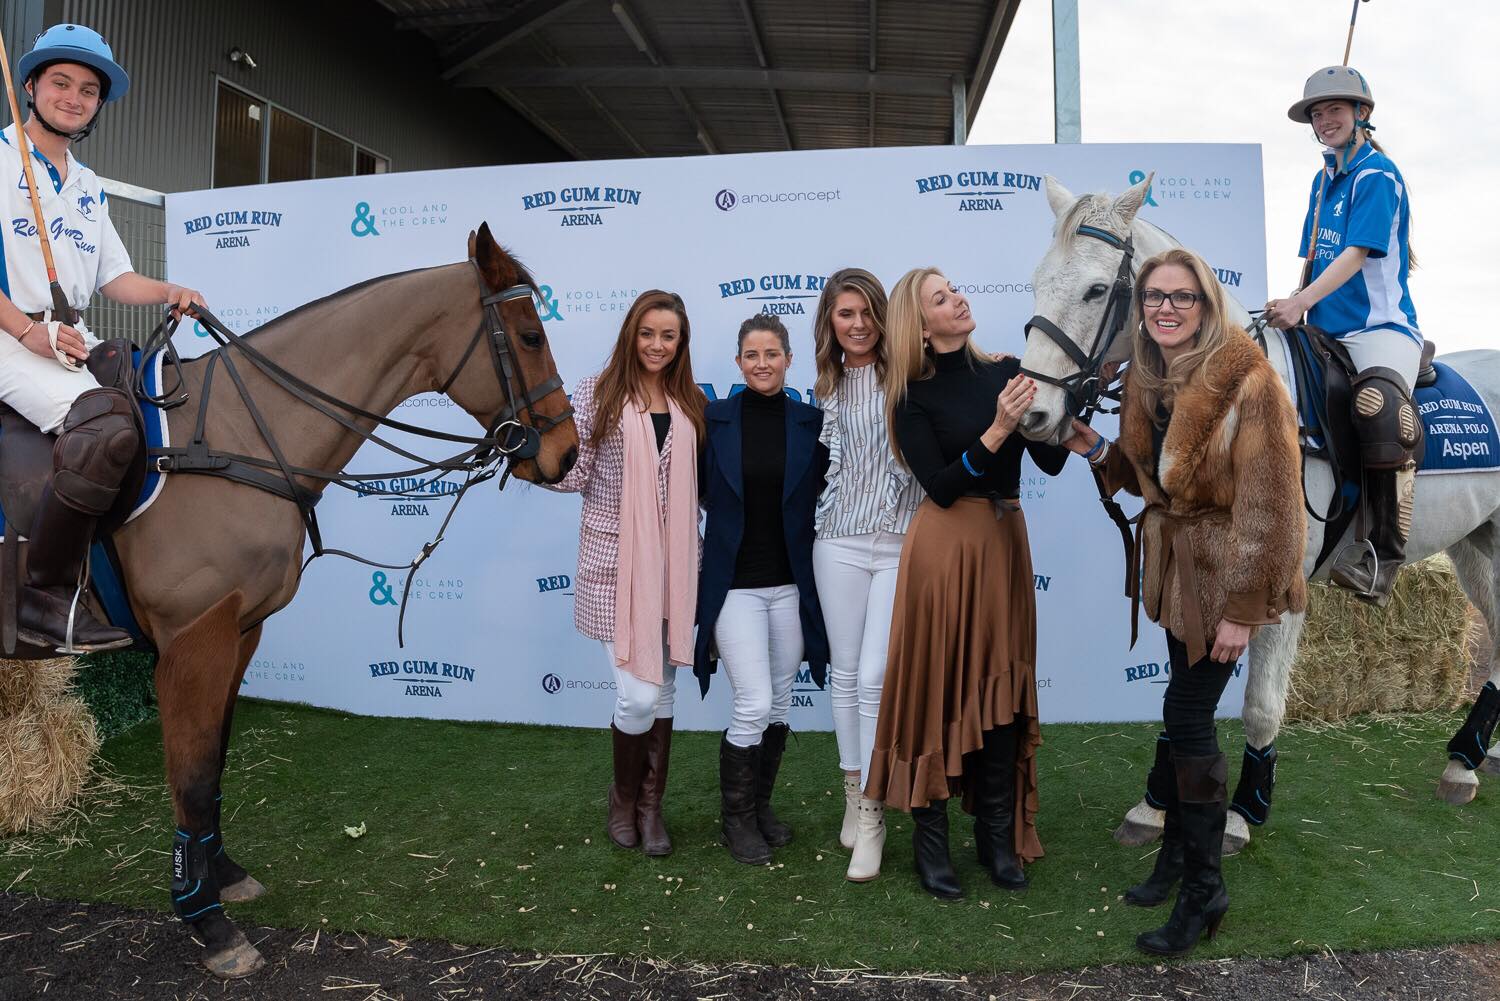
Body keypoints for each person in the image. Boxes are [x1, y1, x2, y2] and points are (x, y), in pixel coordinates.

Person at [1068, 249, 1306, 956]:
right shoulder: (1152, 377)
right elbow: (1152, 483)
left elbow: (1274, 510)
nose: (1165, 308)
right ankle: (1177, 858)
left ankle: (1205, 889)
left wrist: (1243, 608)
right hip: (1176, 575)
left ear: (1206, 304)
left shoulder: (1249, 380)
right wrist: (1094, 450)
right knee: (1183, 707)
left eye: (1182, 297)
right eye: (1154, 297)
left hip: (1225, 578)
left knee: (1186, 714)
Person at [0, 23, 205, 652]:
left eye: (89, 89)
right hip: (10, 334)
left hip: (70, 339)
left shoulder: (89, 187)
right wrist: (29, 331)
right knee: (106, 430)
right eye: (60, 82)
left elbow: (118, 278)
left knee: (150, 420)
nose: (74, 96)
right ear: (29, 86)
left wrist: (172, 290)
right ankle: (43, 597)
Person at [864, 268, 1068, 900]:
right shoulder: (909, 396)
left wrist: (1061, 401)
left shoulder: (1006, 373)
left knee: (1002, 688)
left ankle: (998, 842)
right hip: (945, 550)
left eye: (955, 289)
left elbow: (1052, 460)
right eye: (942, 298)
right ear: (921, 328)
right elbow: (943, 485)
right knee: (937, 688)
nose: (959, 298)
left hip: (1005, 544)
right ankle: (932, 848)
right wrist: (1000, 427)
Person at [543, 290, 705, 857]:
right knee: (637, 697)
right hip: (615, 565)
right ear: (631, 334)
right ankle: (622, 798)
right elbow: (575, 474)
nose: (657, 345)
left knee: (662, 694)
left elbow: (697, 489)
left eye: (669, 336)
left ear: (681, 343)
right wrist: (531, 459)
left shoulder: (690, 402)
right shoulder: (597, 391)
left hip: (677, 570)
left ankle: (649, 808)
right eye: (648, 333)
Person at [1265, 65, 1421, 605]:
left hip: (1380, 328)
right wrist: (1294, 303)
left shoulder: (1377, 176)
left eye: (1335, 109)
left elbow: (1356, 254)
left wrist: (1302, 302)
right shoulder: (1322, 179)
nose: (1324, 120)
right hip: (1322, 331)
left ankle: (1380, 555)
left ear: (1362, 114)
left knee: (1377, 406)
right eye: (1316, 113)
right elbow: (1315, 259)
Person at [696, 314, 829, 865]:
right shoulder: (715, 421)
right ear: (738, 363)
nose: (762, 363)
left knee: (777, 703)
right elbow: (693, 493)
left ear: (788, 360)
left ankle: (759, 810)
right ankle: (736, 822)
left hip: (791, 586)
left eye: (772, 353)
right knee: (751, 701)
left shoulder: (811, 423)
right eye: (752, 355)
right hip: (735, 587)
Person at [808, 269, 924, 882]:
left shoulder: (908, 374)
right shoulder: (825, 384)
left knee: (876, 675)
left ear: (883, 317)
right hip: (838, 542)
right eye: (843, 314)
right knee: (846, 674)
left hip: (902, 541)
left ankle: (874, 815)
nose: (856, 325)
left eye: (865, 313)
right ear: (830, 321)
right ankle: (854, 795)